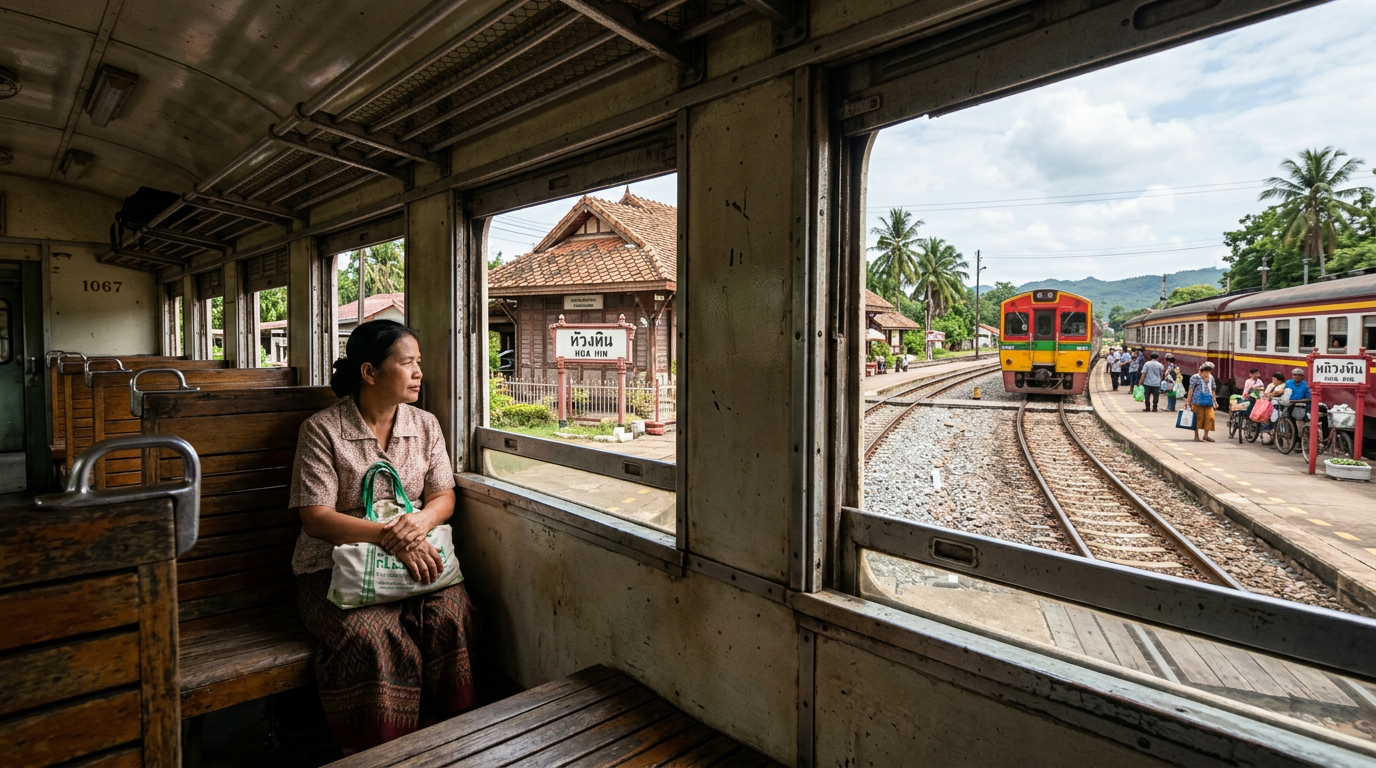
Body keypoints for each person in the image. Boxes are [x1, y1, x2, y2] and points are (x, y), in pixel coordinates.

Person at [289, 320, 476, 752]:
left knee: (452, 614)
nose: (418, 373)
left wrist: (421, 524)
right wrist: (394, 536)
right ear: (369, 372)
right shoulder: (322, 430)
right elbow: (315, 517)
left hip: (414, 548)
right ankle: (380, 753)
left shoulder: (425, 425)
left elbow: (442, 496)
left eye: (419, 363)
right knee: (374, 637)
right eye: (407, 362)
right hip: (332, 566)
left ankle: (449, 742)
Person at [1187, 361, 1220, 442]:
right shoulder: (1195, 377)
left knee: (1210, 418)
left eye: (1209, 372)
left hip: (1209, 401)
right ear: (1200, 372)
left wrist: (1215, 401)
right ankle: (1196, 436)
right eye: (1206, 372)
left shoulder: (1211, 377)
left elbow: (1213, 390)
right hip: (1197, 401)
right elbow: (1191, 390)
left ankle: (1206, 436)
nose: (1207, 374)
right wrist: (1188, 401)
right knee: (1198, 418)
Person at [1260, 372, 1287, 443]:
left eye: (1274, 379)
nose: (1273, 381)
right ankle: (1267, 437)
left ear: (1280, 380)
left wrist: (1271, 394)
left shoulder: (1283, 386)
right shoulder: (1271, 385)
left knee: (1276, 420)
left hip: (1278, 405)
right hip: (1270, 405)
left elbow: (1280, 392)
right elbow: (1267, 393)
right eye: (1273, 379)